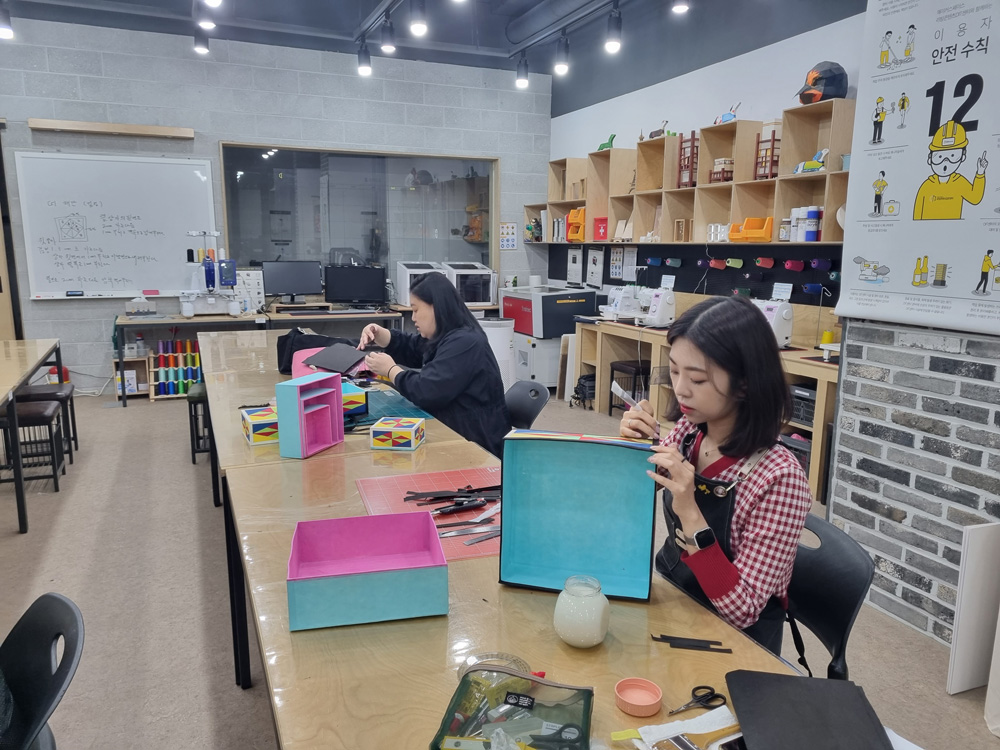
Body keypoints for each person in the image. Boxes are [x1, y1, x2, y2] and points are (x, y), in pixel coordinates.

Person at [619, 296, 811, 654]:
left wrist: (690, 510)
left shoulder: (780, 478)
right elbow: (627, 495)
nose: (680, 388)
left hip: (734, 640)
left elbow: (743, 610)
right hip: (675, 596)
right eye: (674, 371)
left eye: (697, 378)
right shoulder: (690, 431)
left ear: (745, 383)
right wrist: (632, 446)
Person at [357, 272, 511, 457]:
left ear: (436, 308)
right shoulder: (447, 336)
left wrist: (391, 370)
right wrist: (382, 335)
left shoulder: (466, 342)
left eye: (416, 310)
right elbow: (414, 347)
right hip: (456, 429)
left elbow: (427, 390)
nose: (413, 318)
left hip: (476, 443)